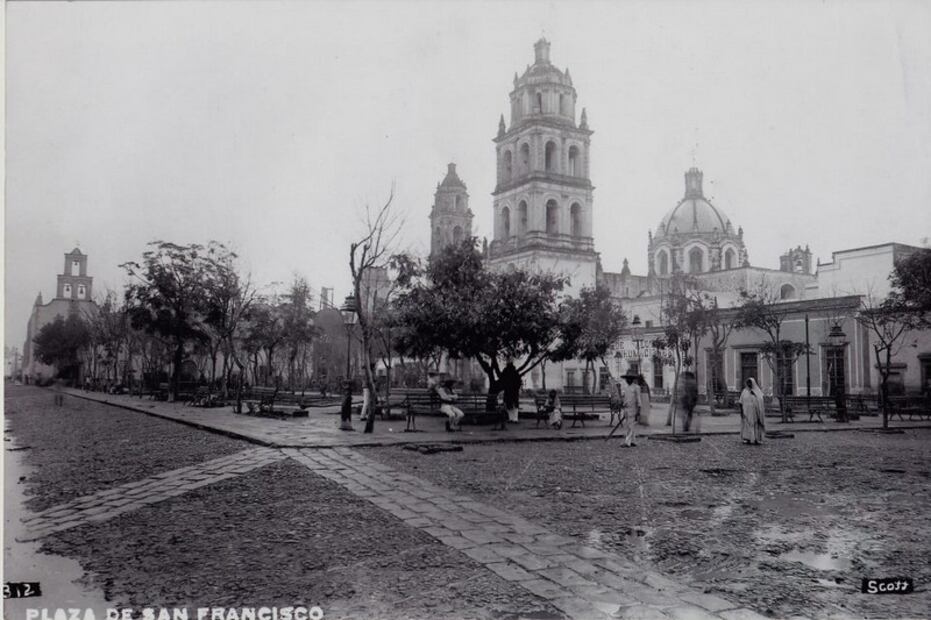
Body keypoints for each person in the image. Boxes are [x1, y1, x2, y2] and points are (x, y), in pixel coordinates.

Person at [739, 378, 766, 445]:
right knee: (747, 425)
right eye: (748, 383)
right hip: (746, 412)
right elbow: (741, 402)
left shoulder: (757, 391)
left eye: (750, 383)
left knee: (756, 425)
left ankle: (757, 439)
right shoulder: (744, 391)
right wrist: (741, 411)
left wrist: (754, 395)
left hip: (755, 412)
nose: (749, 384)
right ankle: (747, 438)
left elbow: (761, 400)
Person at [620, 373, 641, 447]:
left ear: (632, 380)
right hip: (626, 408)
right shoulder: (625, 388)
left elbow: (639, 399)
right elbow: (624, 398)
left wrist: (639, 409)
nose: (627, 380)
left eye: (629, 379)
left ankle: (627, 442)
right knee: (629, 425)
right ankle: (633, 441)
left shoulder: (636, 387)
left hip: (633, 408)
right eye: (626, 379)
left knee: (630, 425)